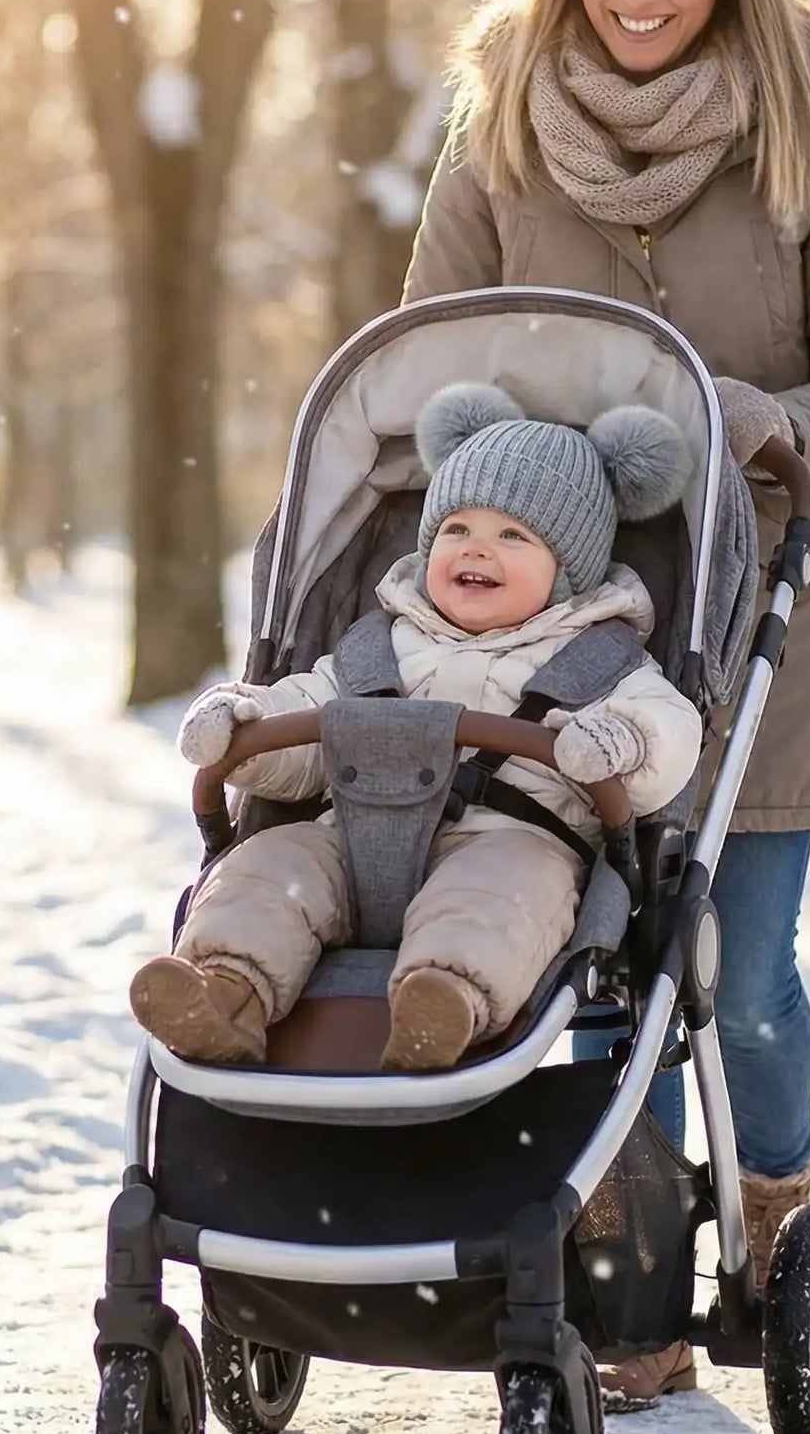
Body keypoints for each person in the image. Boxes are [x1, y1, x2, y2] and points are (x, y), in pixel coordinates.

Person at [402, 0, 810, 1399]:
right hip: (559, 619)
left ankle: (772, 1211)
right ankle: (625, 1270)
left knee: (739, 978)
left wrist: (784, 426)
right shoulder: (497, 125)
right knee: (590, 971)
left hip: (756, 606)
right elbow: (422, 353)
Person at [130, 383, 704, 1074]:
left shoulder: (600, 658)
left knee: (499, 900)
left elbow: (670, 725)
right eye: (456, 529)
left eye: (513, 536)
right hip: (350, 836)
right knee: (268, 869)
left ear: (569, 570)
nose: (476, 549)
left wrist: (623, 742)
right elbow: (307, 721)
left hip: (510, 840)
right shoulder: (380, 644)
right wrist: (245, 728)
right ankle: (223, 995)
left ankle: (444, 1006)